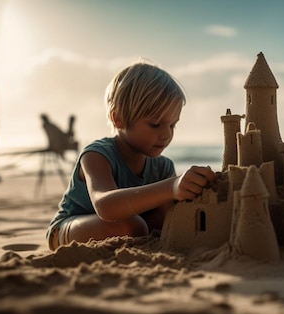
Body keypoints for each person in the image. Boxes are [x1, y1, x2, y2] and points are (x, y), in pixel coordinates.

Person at [46, 60, 216, 250]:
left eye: (172, 125)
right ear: (117, 119)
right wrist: (171, 186)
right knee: (131, 226)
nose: (167, 134)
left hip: (133, 226)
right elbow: (105, 206)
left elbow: (166, 215)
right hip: (71, 227)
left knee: (168, 219)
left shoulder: (163, 166)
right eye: (155, 124)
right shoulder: (97, 155)